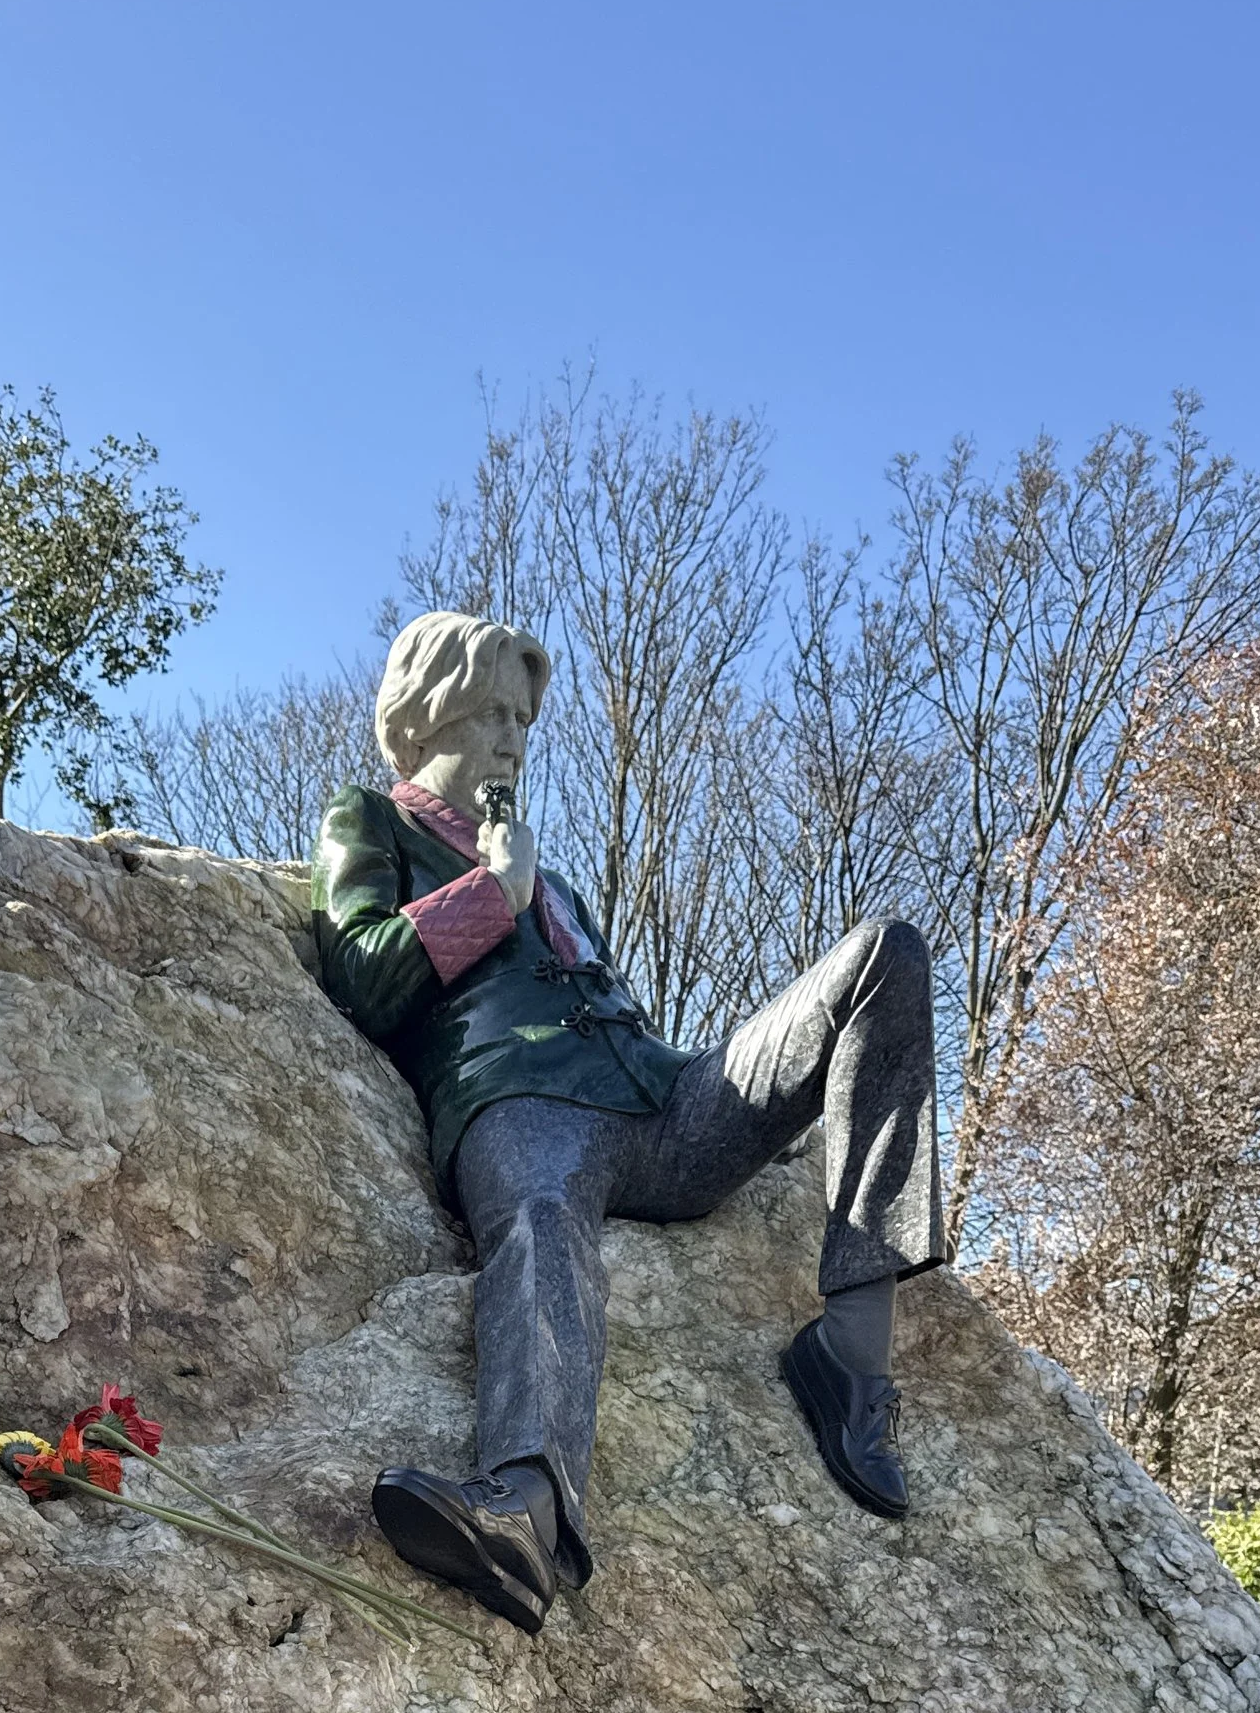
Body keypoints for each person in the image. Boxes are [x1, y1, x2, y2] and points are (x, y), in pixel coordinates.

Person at [311, 609, 942, 1636]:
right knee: (543, 1220)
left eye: (522, 721)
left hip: (660, 1097)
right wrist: (493, 890)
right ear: (424, 718)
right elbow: (362, 976)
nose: (513, 742)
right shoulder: (370, 821)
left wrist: (532, 885)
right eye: (489, 716)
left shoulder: (555, 879)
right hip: (520, 1100)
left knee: (885, 952)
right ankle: (525, 1508)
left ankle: (853, 1355)